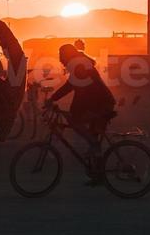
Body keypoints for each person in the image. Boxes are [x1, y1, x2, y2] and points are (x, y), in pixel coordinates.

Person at [47, 43, 116, 184]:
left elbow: (80, 92)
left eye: (61, 56)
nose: (60, 59)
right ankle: (98, 174)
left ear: (67, 55)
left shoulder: (79, 67)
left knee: (76, 121)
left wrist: (58, 103)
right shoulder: (80, 65)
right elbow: (71, 86)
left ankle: (94, 150)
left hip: (102, 105)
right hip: (100, 103)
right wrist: (53, 98)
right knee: (93, 138)